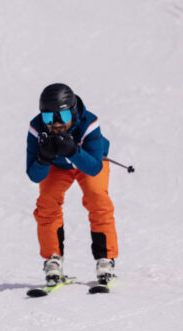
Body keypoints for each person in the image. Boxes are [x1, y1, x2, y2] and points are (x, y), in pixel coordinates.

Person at [26, 83, 118, 286]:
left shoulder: (89, 123)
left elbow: (94, 168)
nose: (56, 124)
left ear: (74, 113)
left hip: (87, 161)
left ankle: (105, 258)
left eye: (64, 117)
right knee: (46, 203)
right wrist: (43, 158)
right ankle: (53, 259)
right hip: (58, 167)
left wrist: (73, 151)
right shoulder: (36, 128)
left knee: (97, 198)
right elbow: (34, 174)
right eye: (49, 118)